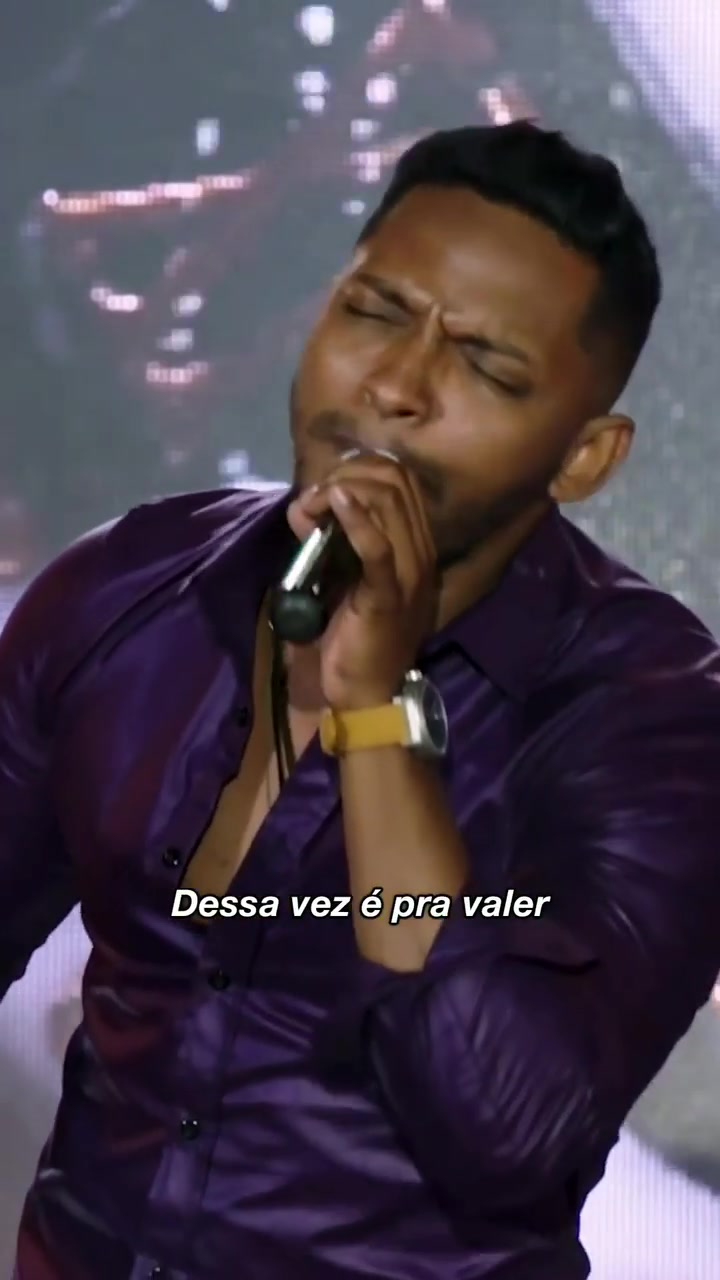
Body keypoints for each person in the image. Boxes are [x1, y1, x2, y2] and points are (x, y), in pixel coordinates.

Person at [4, 121, 720, 1280]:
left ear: (584, 457)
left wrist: (376, 712)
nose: (394, 386)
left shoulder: (648, 713)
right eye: (373, 312)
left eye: (486, 367)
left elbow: (511, 1129)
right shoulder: (127, 595)